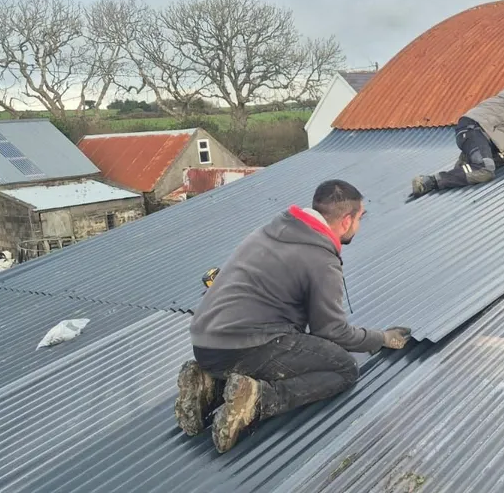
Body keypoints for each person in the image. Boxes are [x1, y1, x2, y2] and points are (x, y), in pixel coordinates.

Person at [175, 179, 412, 453]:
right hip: (244, 345)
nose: (359, 225)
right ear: (346, 221)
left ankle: (211, 385)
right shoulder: (320, 259)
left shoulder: (272, 230)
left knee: (287, 345)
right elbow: (331, 331)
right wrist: (380, 338)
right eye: (360, 218)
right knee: (343, 369)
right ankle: (258, 399)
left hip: (204, 345)